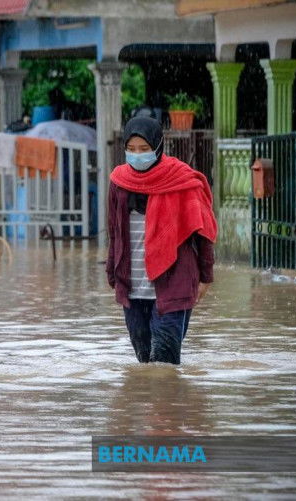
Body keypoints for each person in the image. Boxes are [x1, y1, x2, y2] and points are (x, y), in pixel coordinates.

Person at [106, 116, 217, 365]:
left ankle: (170, 405)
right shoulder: (118, 182)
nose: (137, 155)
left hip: (174, 284)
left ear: (157, 147)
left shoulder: (182, 180)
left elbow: (203, 232)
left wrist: (206, 277)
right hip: (133, 288)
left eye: (144, 149)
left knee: (165, 365)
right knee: (144, 364)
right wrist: (113, 275)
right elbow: (114, 232)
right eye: (131, 149)